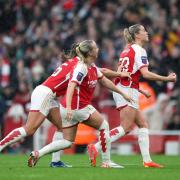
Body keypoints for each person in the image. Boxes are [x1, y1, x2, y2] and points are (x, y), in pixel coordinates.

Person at [0, 39, 132, 167]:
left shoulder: (81, 62)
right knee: (30, 129)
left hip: (49, 94)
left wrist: (119, 74)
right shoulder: (80, 66)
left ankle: (55, 162)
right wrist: (69, 107)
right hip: (47, 93)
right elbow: (86, 79)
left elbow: (101, 72)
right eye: (95, 47)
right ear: (89, 52)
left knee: (61, 127)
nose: (98, 49)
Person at [87, 24, 177, 168]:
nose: (147, 33)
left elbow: (127, 75)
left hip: (125, 88)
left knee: (142, 124)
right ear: (137, 35)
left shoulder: (127, 50)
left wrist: (140, 91)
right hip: (127, 90)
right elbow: (145, 74)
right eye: (143, 31)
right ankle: (96, 147)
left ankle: (147, 161)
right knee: (126, 127)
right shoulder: (139, 50)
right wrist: (167, 79)